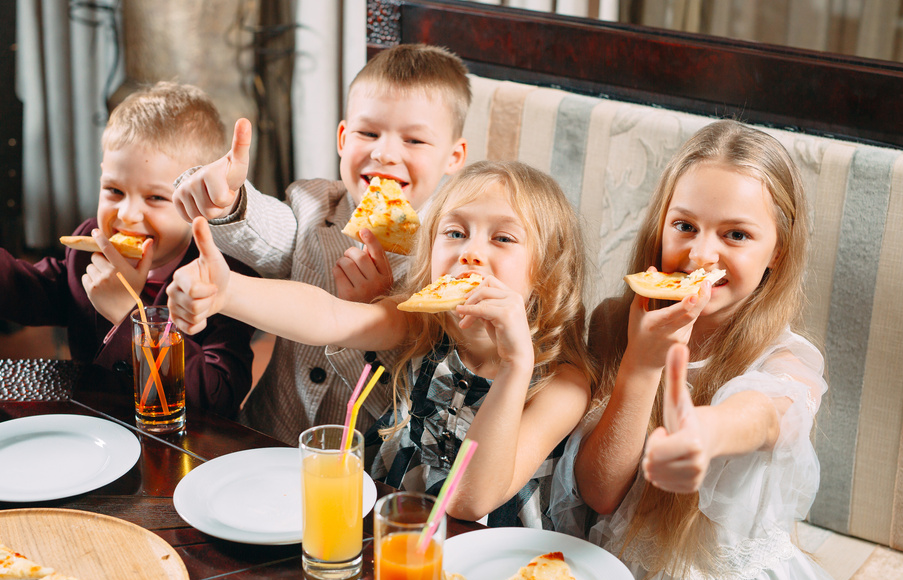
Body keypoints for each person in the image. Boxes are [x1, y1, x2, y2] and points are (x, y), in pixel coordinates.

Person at [168, 160, 594, 527]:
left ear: (547, 274)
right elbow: (329, 317)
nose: (471, 253)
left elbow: (470, 500)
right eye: (455, 232)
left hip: (492, 558)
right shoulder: (423, 325)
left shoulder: (562, 384)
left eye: (503, 238)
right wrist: (229, 292)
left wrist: (517, 362)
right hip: (390, 522)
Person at [553, 120, 857, 580]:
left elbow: (762, 414)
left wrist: (704, 431)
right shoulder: (616, 321)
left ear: (777, 251)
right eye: (685, 226)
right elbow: (600, 493)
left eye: (736, 234)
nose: (700, 255)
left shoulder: (789, 359)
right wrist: (641, 363)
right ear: (660, 225)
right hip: (618, 569)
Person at [171, 44, 470, 444]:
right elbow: (268, 234)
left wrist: (372, 311)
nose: (384, 152)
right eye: (368, 133)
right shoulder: (314, 203)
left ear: (454, 157)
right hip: (266, 433)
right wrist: (226, 199)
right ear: (343, 138)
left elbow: (418, 398)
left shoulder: (448, 257)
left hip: (363, 467)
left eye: (414, 141)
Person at [0, 82, 257, 417]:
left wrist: (131, 317)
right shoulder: (87, 250)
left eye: (156, 197)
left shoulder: (223, 277)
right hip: (93, 429)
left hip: (181, 448)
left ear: (199, 201)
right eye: (113, 190)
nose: (126, 214)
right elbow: (22, 291)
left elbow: (220, 395)